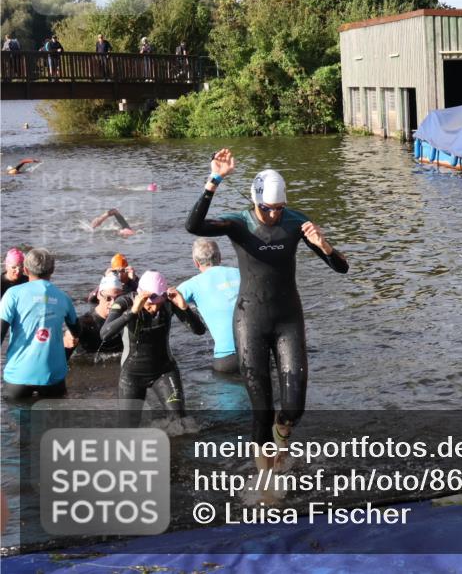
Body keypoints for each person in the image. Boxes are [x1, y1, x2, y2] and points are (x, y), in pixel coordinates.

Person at [185, 149, 348, 474]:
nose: (273, 214)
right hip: (250, 320)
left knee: (293, 406)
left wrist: (325, 245)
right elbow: (194, 225)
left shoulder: (296, 222)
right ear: (255, 201)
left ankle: (281, 437)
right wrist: (214, 180)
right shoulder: (238, 223)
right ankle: (266, 482)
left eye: (278, 208)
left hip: (288, 318)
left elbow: (341, 268)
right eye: (266, 208)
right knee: (261, 409)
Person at [101, 270, 206, 425]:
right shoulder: (124, 302)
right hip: (132, 374)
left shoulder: (169, 302)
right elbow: (104, 334)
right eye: (150, 304)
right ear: (141, 295)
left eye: (159, 304)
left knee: (181, 424)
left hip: (164, 371)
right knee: (128, 429)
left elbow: (199, 331)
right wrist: (133, 312)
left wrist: (184, 308)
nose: (155, 309)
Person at [0, 248, 79, 400]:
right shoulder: (63, 297)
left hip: (18, 376)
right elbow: (76, 331)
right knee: (52, 421)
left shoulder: (12, 294)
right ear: (53, 270)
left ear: (25, 269)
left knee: (16, 420)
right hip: (52, 376)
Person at [177, 238, 241, 374]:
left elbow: (167, 301)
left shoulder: (192, 285)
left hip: (227, 358)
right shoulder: (241, 273)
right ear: (220, 257)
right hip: (258, 351)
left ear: (195, 262)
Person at [64, 273, 125, 358]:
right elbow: (62, 359)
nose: (113, 303)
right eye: (108, 298)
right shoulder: (84, 324)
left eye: (117, 298)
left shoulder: (126, 321)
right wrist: (68, 340)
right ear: (99, 295)